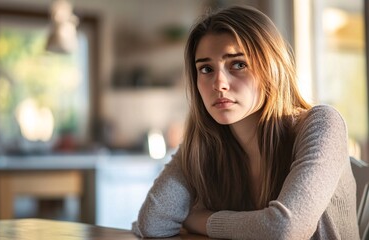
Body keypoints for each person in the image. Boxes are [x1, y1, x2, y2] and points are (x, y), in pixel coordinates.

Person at [131, 5, 360, 240]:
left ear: (272, 69)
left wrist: (200, 219)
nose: (219, 83)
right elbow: (153, 223)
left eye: (238, 64)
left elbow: (284, 229)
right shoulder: (204, 143)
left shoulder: (323, 124)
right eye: (206, 69)